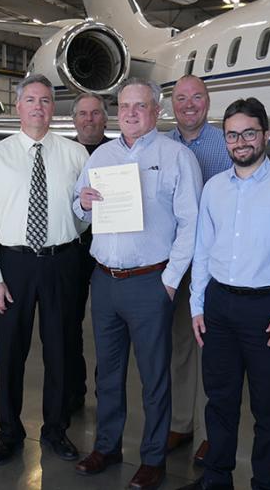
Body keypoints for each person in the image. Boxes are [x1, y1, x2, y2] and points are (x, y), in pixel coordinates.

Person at [178, 97, 270, 490]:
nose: (240, 142)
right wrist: (197, 306)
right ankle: (216, 479)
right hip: (219, 306)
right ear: (224, 139)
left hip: (267, 311)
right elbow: (202, 251)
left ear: (265, 135)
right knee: (220, 401)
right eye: (232, 135)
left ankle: (265, 483)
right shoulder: (214, 188)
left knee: (269, 408)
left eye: (249, 133)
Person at [72, 78, 202, 490]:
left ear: (156, 111)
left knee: (154, 377)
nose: (130, 113)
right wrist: (83, 203)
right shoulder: (102, 155)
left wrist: (170, 281)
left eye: (139, 106)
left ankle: (153, 458)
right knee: (108, 374)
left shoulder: (177, 157)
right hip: (105, 280)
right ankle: (107, 447)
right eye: (124, 106)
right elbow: (79, 207)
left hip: (150, 282)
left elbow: (191, 225)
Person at [0, 74, 89, 466]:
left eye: (44, 100)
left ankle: (55, 429)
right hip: (14, 264)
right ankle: (9, 433)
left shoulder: (76, 154)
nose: (38, 107)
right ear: (18, 106)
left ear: (52, 108)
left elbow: (84, 215)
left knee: (60, 350)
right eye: (30, 100)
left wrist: (81, 217)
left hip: (62, 260)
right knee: (12, 353)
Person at [165, 75, 232, 461]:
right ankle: (181, 423)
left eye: (196, 97)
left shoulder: (227, 143)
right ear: (171, 104)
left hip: (215, 263)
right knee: (181, 346)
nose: (189, 105)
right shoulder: (161, 145)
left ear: (207, 101)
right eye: (181, 98)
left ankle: (210, 433)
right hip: (177, 262)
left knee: (213, 349)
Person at [67, 92, 113, 413]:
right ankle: (74, 390)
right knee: (71, 323)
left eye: (95, 113)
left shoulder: (119, 153)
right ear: (74, 120)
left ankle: (105, 393)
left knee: (107, 328)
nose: (89, 119)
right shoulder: (63, 153)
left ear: (105, 119)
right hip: (73, 250)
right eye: (82, 114)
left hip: (107, 252)